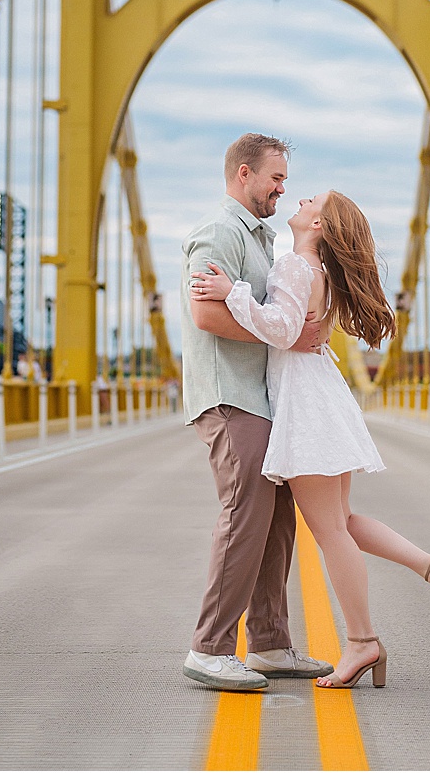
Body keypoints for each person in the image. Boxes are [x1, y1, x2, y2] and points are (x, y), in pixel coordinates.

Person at [191, 190, 430, 689]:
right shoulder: (319, 272)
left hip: (305, 407)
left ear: (320, 224)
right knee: (341, 521)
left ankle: (363, 643)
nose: (300, 198)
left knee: (329, 531)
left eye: (312, 200)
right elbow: (294, 332)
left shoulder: (293, 265)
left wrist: (231, 293)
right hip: (324, 397)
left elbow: (281, 330)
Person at [180, 133, 331, 692]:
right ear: (244, 174)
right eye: (275, 178)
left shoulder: (262, 240)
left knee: (277, 519)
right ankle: (210, 648)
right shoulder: (220, 232)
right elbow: (205, 315)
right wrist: (289, 339)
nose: (282, 189)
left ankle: (269, 643)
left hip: (260, 398)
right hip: (230, 396)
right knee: (246, 515)